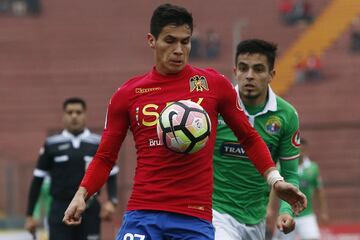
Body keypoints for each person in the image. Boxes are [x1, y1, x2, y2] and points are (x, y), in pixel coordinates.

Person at [63, 4, 306, 240]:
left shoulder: (214, 85)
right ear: (151, 40)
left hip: (194, 219)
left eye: (185, 41)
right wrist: (82, 194)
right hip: (143, 214)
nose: (179, 49)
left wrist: (275, 180)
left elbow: (249, 137)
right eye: (170, 41)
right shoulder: (127, 95)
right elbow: (105, 156)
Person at [212, 39, 301, 240]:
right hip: (215, 214)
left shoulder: (286, 115)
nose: (249, 76)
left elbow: (290, 174)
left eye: (258, 69)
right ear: (235, 71)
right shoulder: (215, 107)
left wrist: (285, 210)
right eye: (243, 68)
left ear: (271, 75)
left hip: (256, 220)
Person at [25, 97, 119, 240]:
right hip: (59, 208)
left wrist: (112, 201)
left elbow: (111, 174)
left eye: (78, 112)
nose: (74, 116)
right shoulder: (51, 144)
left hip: (89, 209)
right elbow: (37, 180)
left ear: (85, 115)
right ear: (64, 116)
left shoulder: (98, 143)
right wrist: (30, 215)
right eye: (69, 112)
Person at [272, 138, 329, 240]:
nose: (300, 153)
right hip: (287, 214)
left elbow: (319, 191)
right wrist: (269, 208)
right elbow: (274, 189)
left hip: (306, 215)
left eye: (302, 150)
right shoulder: (281, 167)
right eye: (298, 150)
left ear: (306, 150)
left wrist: (323, 211)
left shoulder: (313, 168)